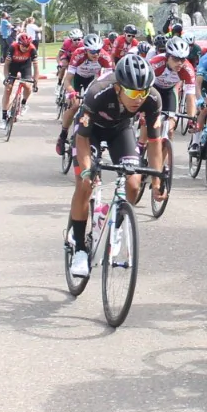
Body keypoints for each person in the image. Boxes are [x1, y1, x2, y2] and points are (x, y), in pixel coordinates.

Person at [63, 56, 166, 278]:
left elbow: (156, 143)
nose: (139, 99)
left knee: (133, 183)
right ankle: (80, 247)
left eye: (143, 92)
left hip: (120, 130)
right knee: (85, 184)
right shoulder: (98, 91)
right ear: (119, 87)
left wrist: (157, 180)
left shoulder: (153, 98)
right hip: (90, 133)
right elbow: (81, 138)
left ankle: (115, 227)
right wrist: (88, 169)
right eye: (132, 93)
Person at [1, 29, 38, 121]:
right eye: (23, 46)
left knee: (27, 86)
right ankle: (4, 116)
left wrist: (36, 81)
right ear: (19, 43)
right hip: (13, 66)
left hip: (25, 66)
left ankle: (23, 103)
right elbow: (6, 65)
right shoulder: (12, 47)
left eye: (27, 46)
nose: (25, 48)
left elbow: (36, 67)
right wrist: (6, 77)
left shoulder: (32, 49)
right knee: (8, 88)